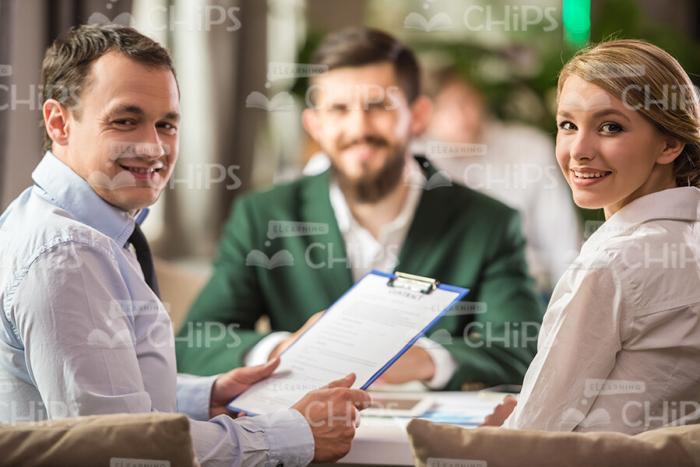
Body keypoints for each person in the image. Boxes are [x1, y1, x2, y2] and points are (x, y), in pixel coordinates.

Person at [0, 24, 372, 466]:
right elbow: (123, 450)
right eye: (125, 120)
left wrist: (208, 395)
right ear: (59, 122)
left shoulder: (77, 225)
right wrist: (292, 435)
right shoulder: (66, 253)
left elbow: (110, 397)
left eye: (166, 124)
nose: (154, 147)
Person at [176, 27, 544, 391]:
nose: (359, 127)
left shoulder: (490, 223)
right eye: (338, 109)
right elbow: (195, 342)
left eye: (378, 106)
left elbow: (522, 352)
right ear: (315, 125)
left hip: (427, 440)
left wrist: (428, 360)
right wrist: (282, 350)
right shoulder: (263, 216)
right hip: (300, 436)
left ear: (417, 116)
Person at [488, 39, 700, 434]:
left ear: (669, 143)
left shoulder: (612, 266)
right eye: (568, 125)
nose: (579, 150)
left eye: (610, 127)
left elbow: (532, 437)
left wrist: (503, 431)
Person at [425, 68, 581, 295]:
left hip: (524, 287)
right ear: (422, 115)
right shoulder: (416, 161)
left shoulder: (529, 147)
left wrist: (570, 299)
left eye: (464, 102)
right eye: (444, 109)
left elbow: (561, 234)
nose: (460, 116)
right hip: (444, 293)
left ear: (479, 98)